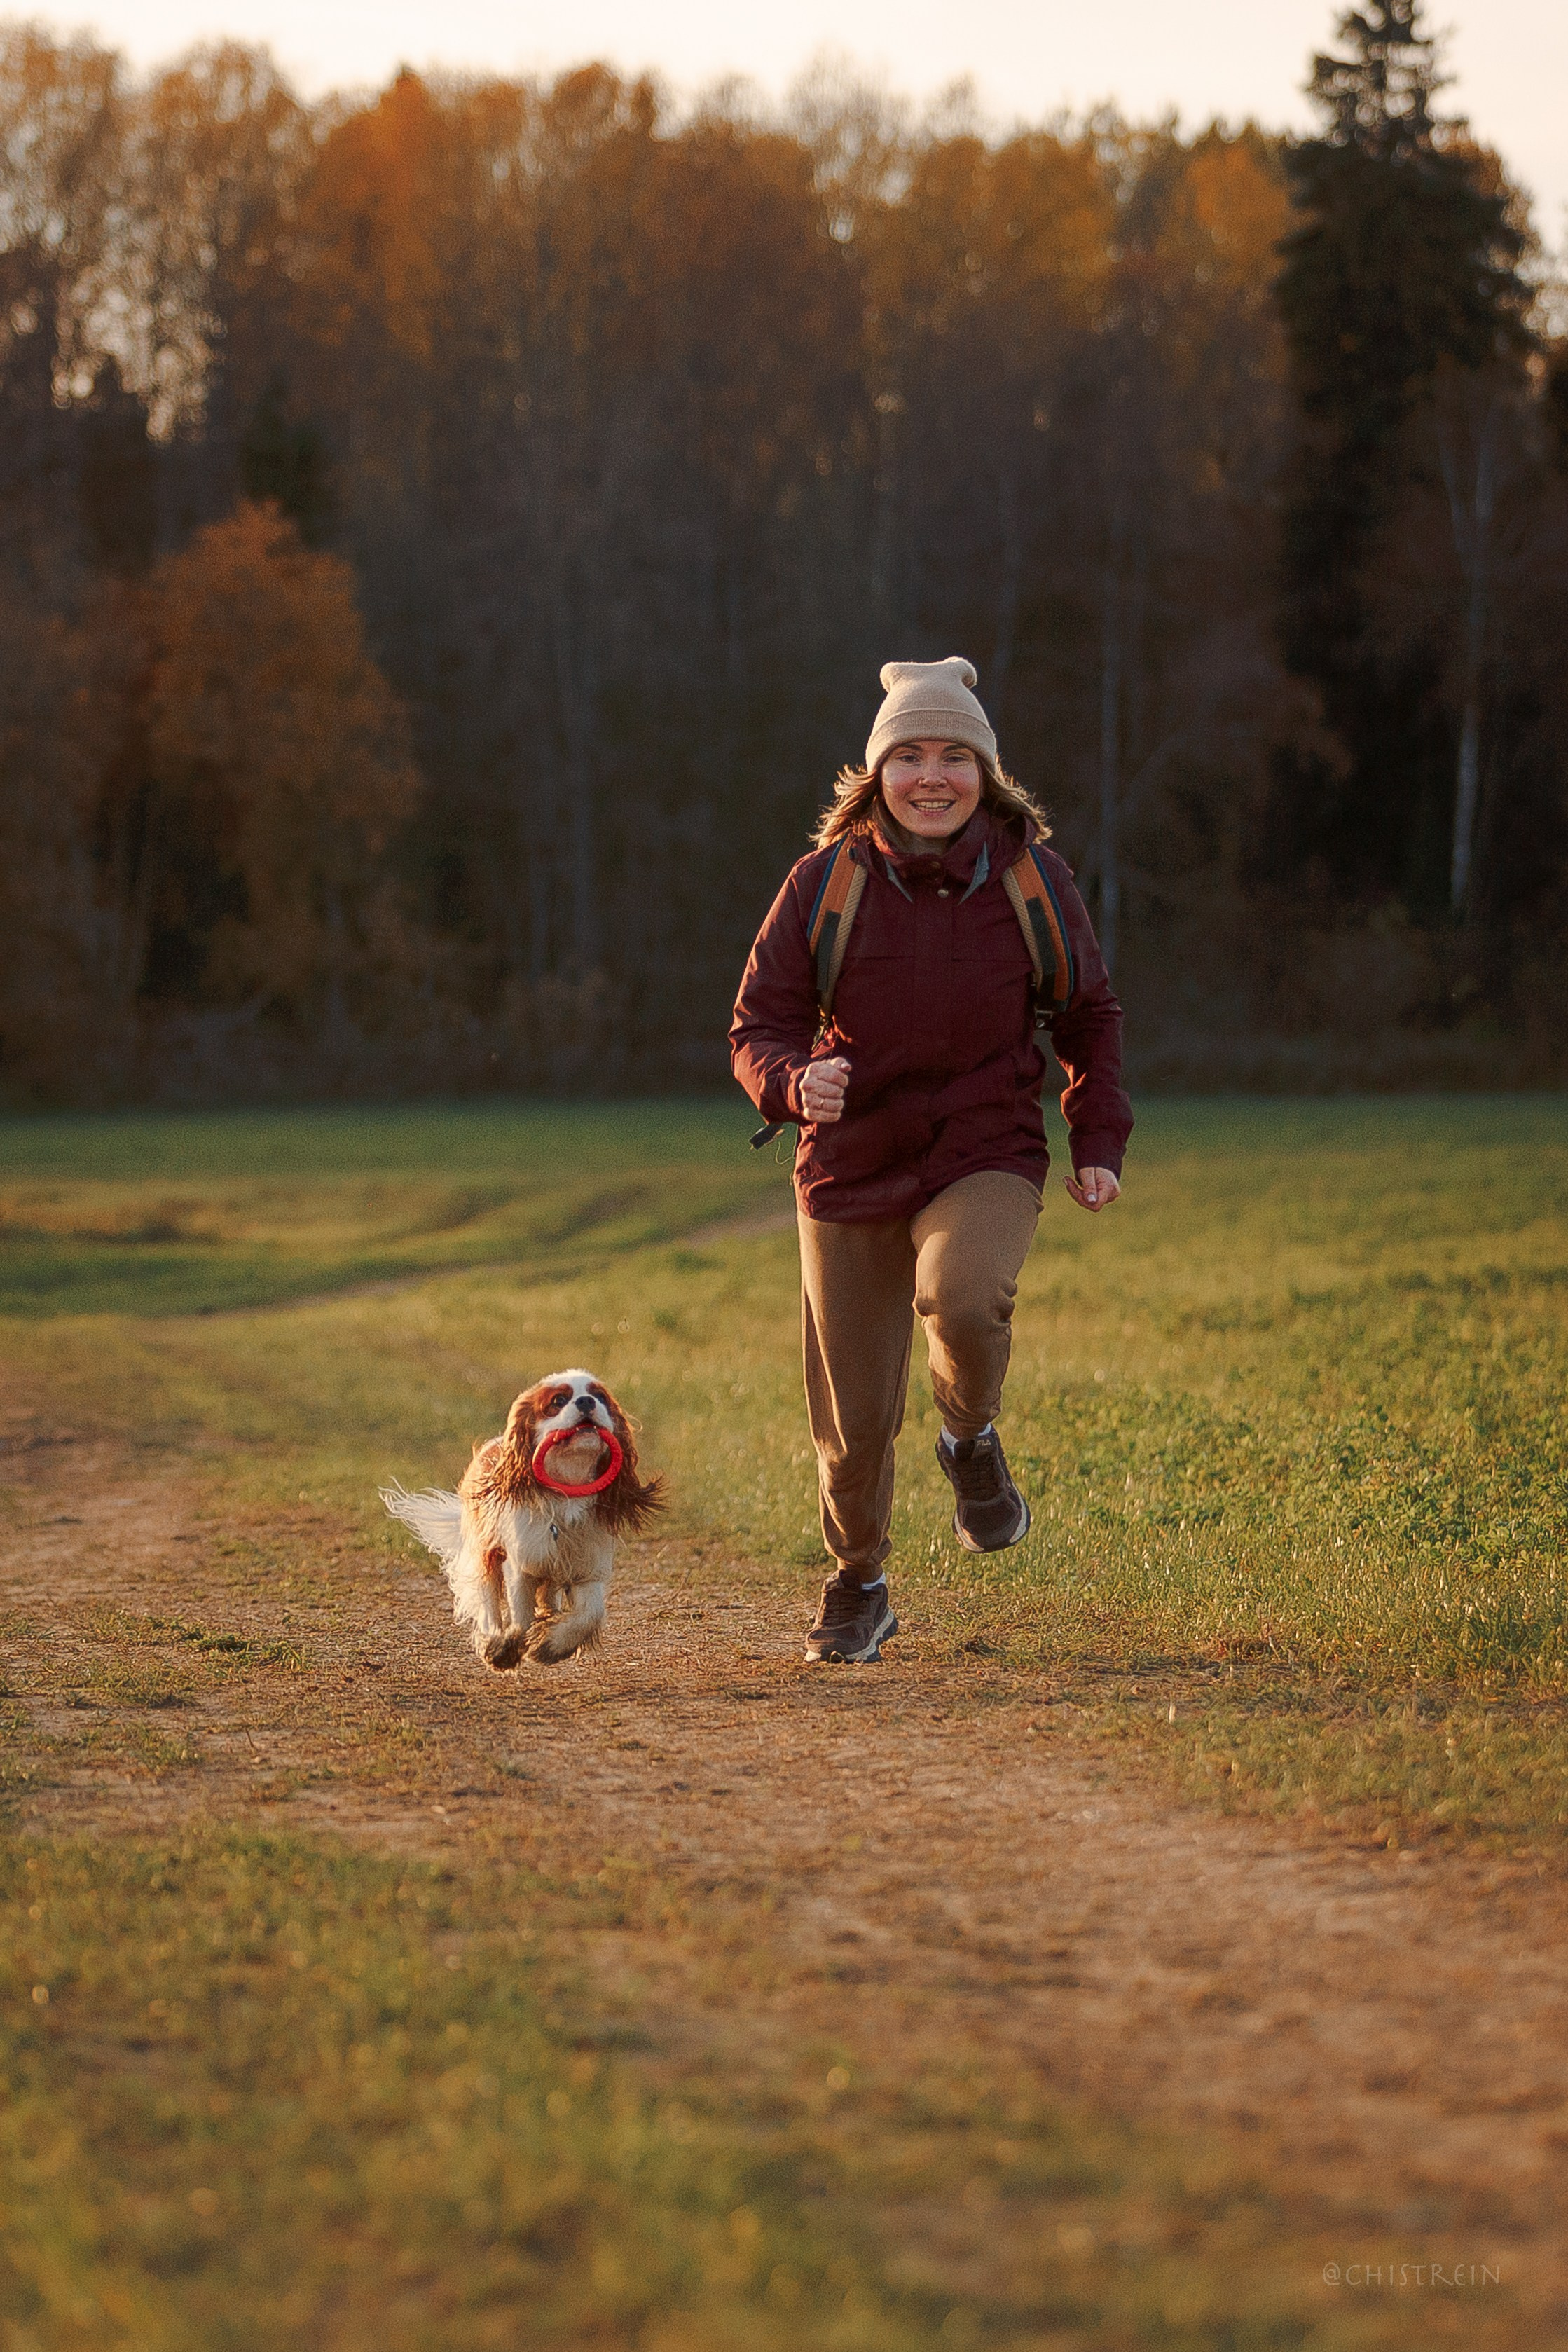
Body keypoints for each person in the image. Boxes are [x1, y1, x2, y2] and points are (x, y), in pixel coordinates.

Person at [730, 656, 1132, 1664]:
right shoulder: (821, 886)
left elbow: (1088, 1013)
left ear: (985, 772)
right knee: (854, 1419)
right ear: (877, 773)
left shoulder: (1034, 881)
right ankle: (859, 1580)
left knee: (961, 1297)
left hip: (982, 1147)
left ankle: (968, 1440)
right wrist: (791, 1082)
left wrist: (1094, 1136)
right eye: (908, 754)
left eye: (955, 753)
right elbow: (758, 1024)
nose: (932, 775)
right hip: (848, 1164)